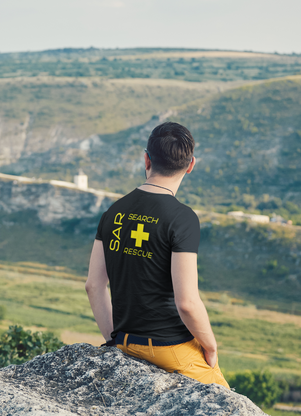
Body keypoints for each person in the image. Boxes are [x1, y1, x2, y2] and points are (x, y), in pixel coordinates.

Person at [85, 121, 229, 388]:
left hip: (125, 342)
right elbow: (186, 302)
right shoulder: (182, 218)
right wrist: (210, 346)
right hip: (169, 347)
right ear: (191, 165)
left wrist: (115, 340)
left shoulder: (114, 211)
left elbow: (93, 285)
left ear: (146, 160)